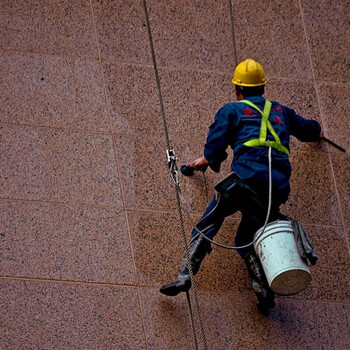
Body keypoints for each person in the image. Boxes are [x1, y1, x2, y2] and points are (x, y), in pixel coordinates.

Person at [160, 58, 322, 314]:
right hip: (276, 189)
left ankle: (185, 273)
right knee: (246, 238)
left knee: (210, 221)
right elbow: (309, 129)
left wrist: (211, 159)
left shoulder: (232, 110)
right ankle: (261, 285)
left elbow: (215, 145)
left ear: (237, 89)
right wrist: (319, 132)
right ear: (262, 88)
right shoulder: (282, 112)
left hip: (245, 180)